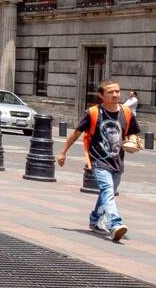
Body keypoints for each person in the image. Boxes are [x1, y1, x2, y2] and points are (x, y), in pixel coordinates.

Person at [57, 80, 140, 242]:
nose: (115, 94)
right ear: (101, 95)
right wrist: (63, 152)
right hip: (98, 161)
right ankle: (115, 224)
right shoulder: (93, 113)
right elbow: (76, 133)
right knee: (108, 191)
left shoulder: (126, 112)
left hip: (117, 161)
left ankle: (95, 219)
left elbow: (133, 132)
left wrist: (133, 141)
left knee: (107, 193)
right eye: (110, 92)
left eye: (117, 91)